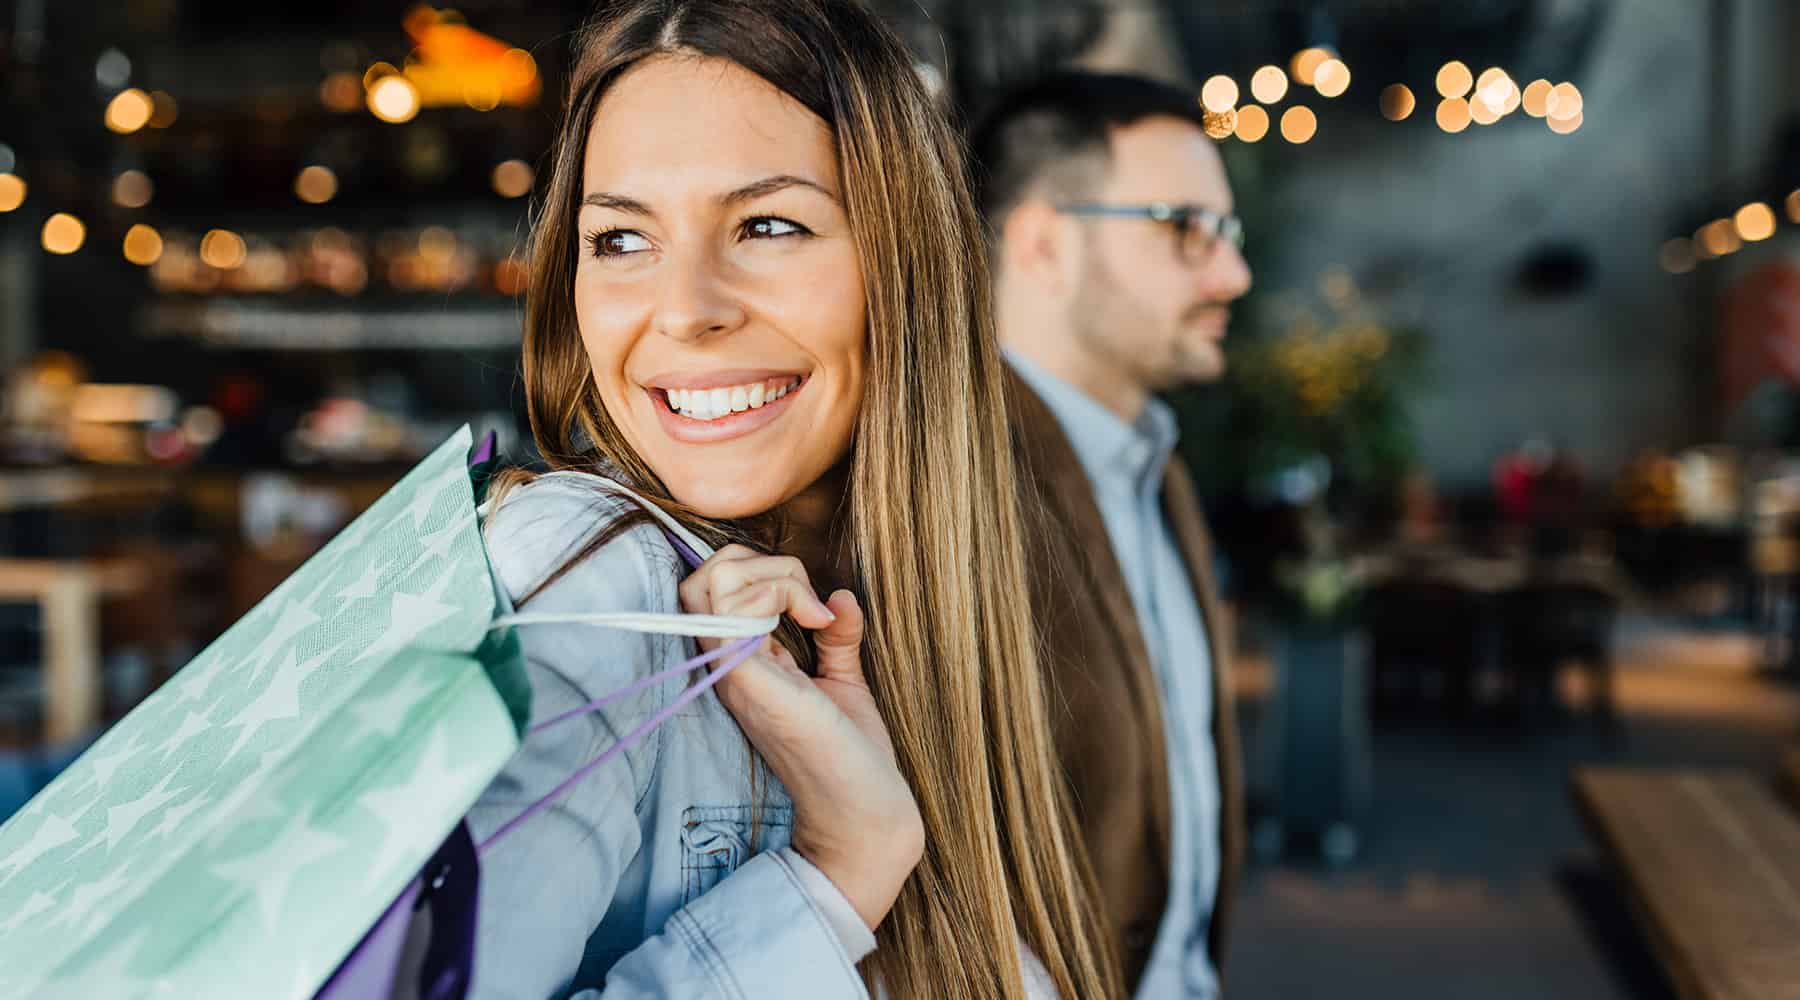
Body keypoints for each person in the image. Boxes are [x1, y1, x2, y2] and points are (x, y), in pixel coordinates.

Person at [467, 3, 1120, 999]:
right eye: (621, 239)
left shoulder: (934, 606)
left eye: (767, 224)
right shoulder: (588, 576)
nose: (686, 309)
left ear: (901, 269)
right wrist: (838, 871)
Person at [970, 72, 1254, 997]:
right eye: (1184, 226)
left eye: (1228, 232)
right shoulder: (945, 489)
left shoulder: (1155, 465)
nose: (1231, 274)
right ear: (1045, 245)